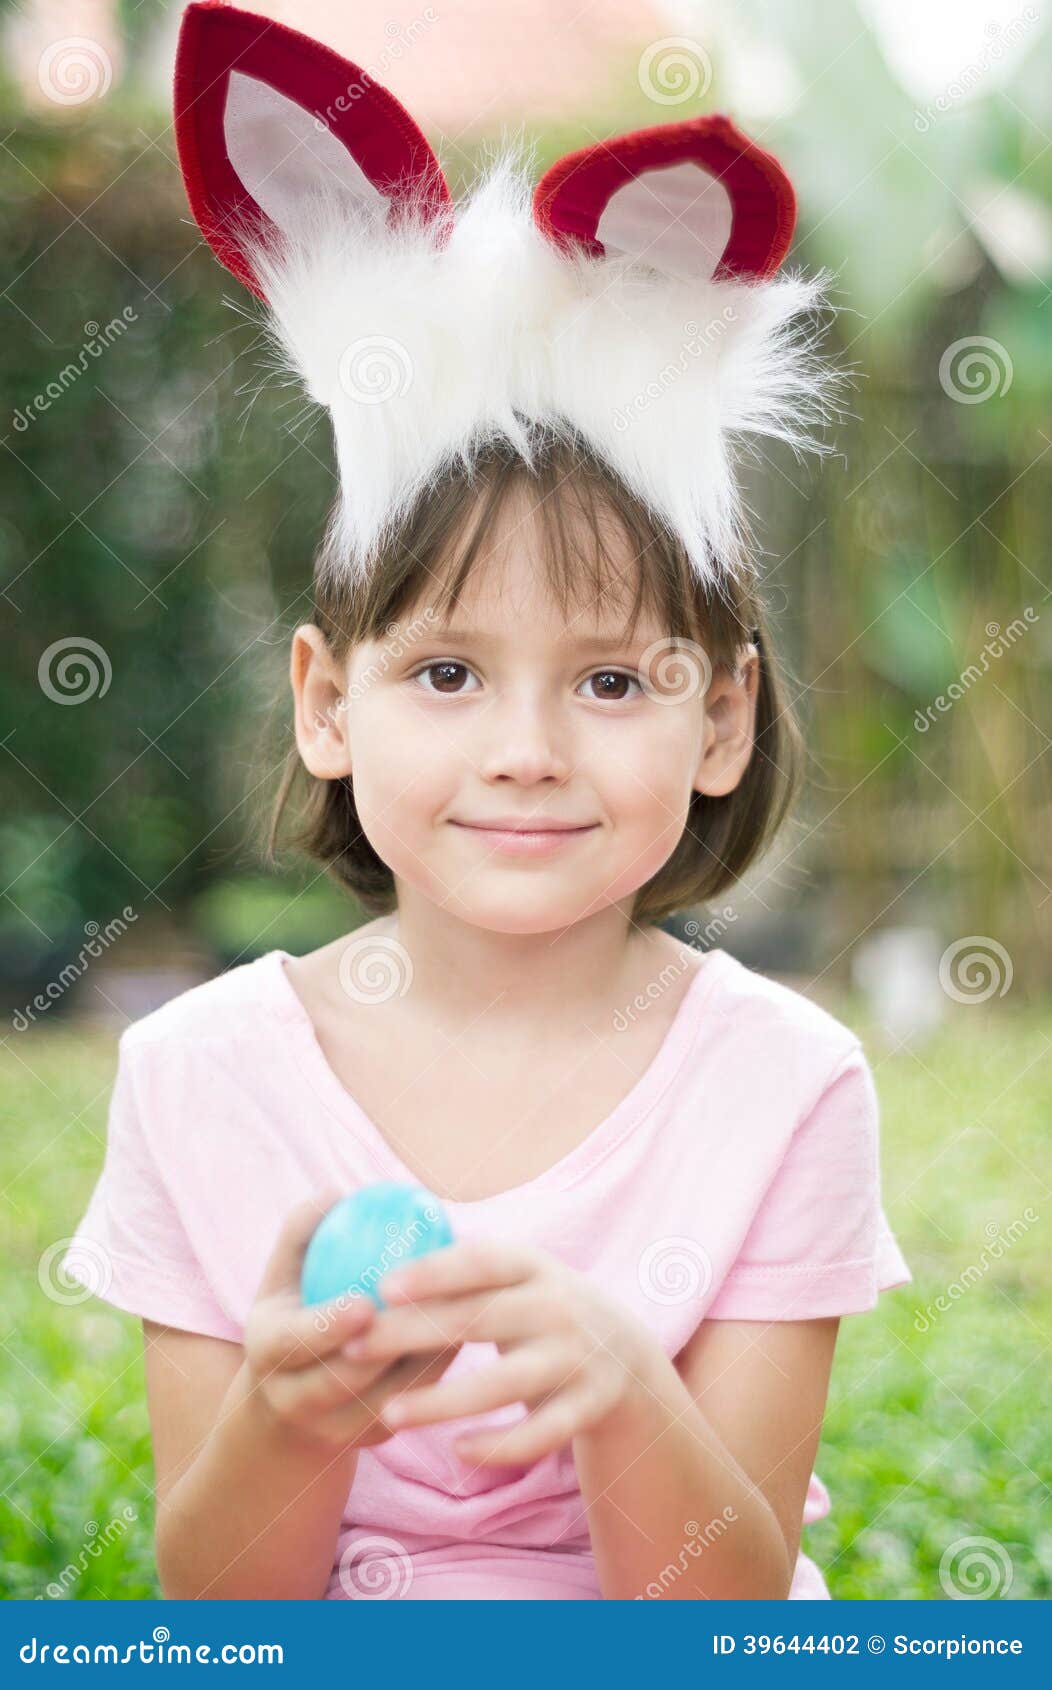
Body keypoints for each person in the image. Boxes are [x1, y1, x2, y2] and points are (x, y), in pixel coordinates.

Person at [61, 2, 911, 1601]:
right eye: (448, 672)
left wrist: (624, 1386)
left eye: (613, 681)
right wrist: (289, 1421)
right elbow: (226, 1617)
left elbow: (726, 1623)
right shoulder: (200, 1076)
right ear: (328, 704)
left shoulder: (788, 1084)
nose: (528, 749)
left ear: (723, 717)